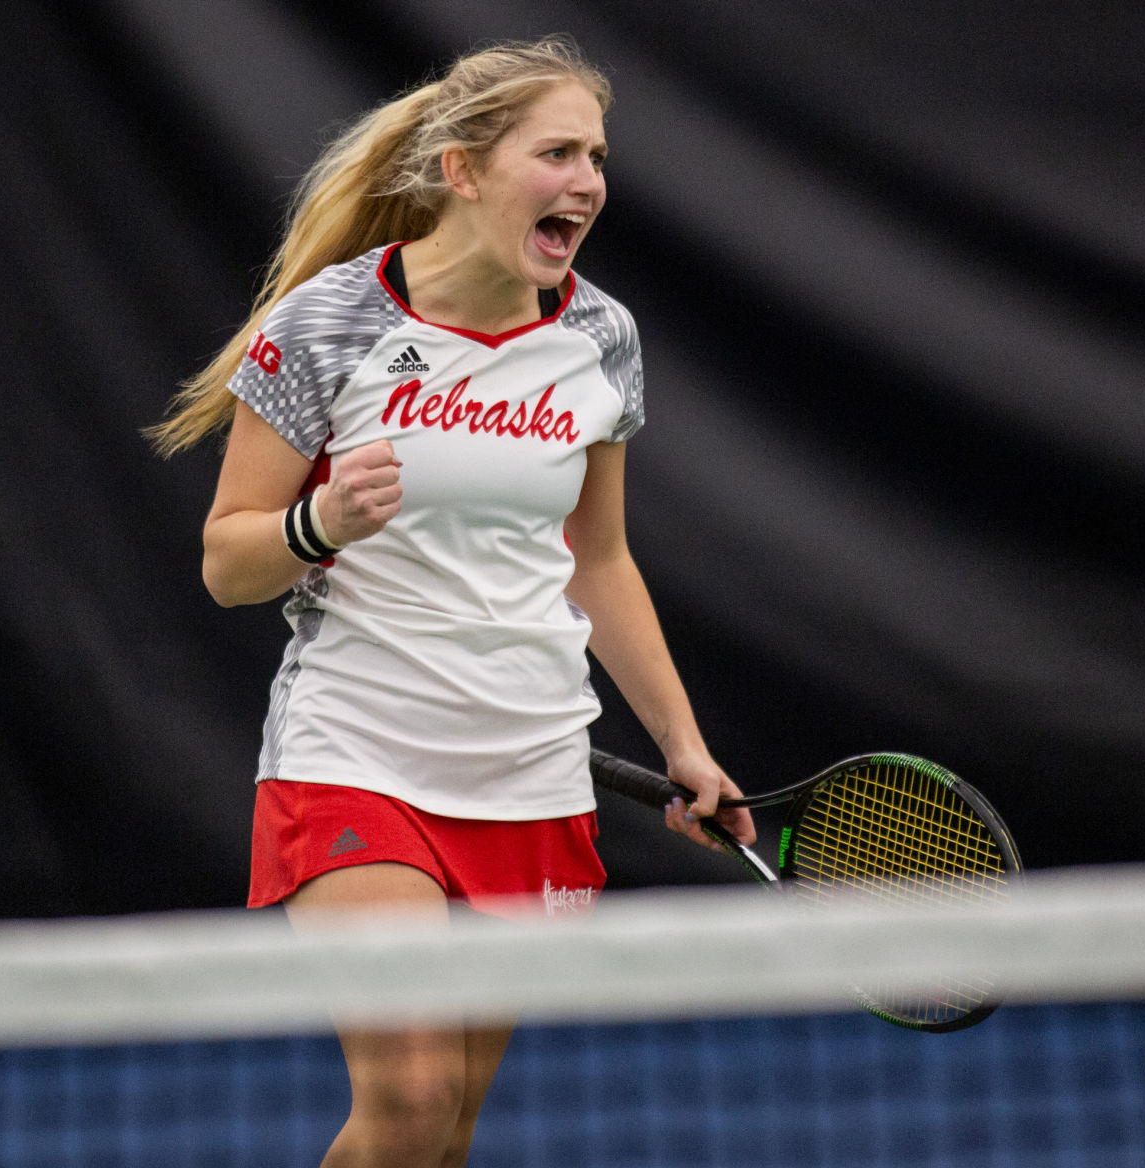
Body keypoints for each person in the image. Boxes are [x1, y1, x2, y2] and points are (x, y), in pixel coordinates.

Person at [149, 36, 755, 1168]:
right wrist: (316, 525)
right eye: (557, 151)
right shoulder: (329, 324)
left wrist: (683, 740)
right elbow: (228, 563)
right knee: (412, 1098)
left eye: (597, 156)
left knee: (450, 1128)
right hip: (357, 747)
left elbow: (600, 557)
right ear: (464, 172)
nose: (587, 181)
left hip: (530, 757)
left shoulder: (599, 338)